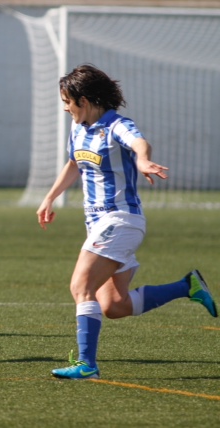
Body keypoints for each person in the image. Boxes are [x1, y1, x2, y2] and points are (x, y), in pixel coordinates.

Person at [36, 64, 218, 379]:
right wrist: (50, 197)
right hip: (99, 225)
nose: (65, 107)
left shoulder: (116, 124)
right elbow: (73, 163)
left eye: (68, 101)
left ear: (86, 99)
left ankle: (86, 365)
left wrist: (143, 159)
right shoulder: (78, 128)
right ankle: (186, 286)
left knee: (81, 286)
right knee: (114, 306)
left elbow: (138, 142)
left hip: (120, 220)